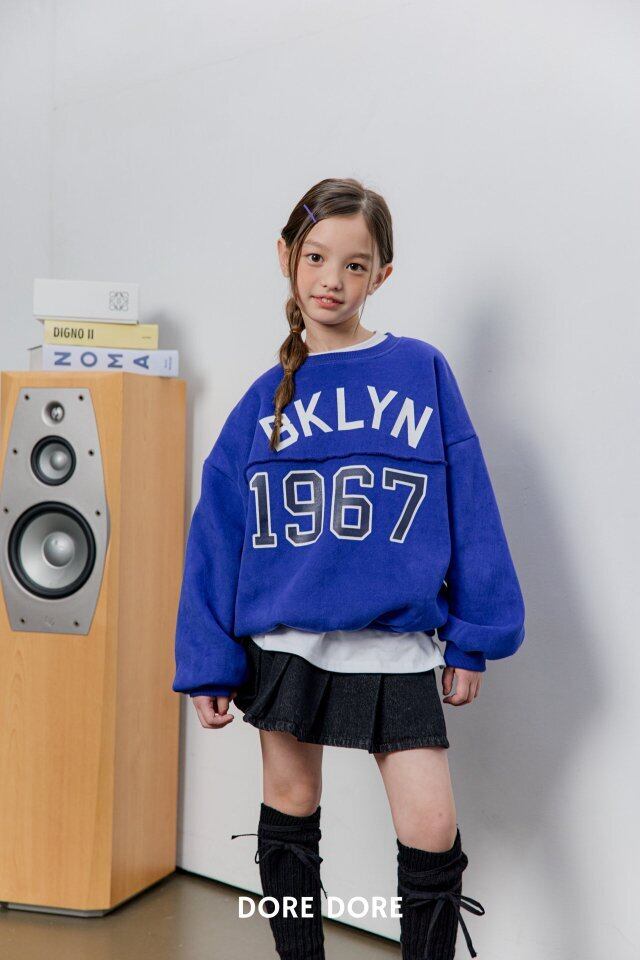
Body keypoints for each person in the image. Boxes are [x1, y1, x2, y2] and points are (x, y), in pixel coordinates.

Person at [172, 177, 526, 960]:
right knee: (291, 805)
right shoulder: (264, 401)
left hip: (395, 642)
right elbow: (218, 534)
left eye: (355, 265)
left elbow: (469, 503)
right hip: (287, 643)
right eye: (316, 257)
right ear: (286, 258)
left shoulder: (420, 370)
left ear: (381, 275)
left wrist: (474, 638)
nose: (331, 279)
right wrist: (207, 660)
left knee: (431, 827)